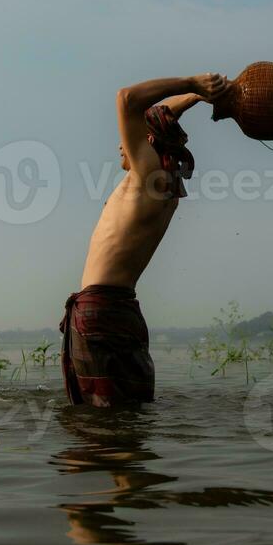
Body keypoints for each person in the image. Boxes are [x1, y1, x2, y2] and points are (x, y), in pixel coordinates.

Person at [59, 73, 229, 408]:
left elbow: (126, 99)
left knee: (97, 425)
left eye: (129, 137)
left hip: (101, 310)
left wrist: (192, 83)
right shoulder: (164, 182)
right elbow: (158, 117)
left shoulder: (147, 176)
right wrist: (195, 99)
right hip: (122, 311)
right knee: (126, 416)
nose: (121, 145)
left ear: (148, 142)